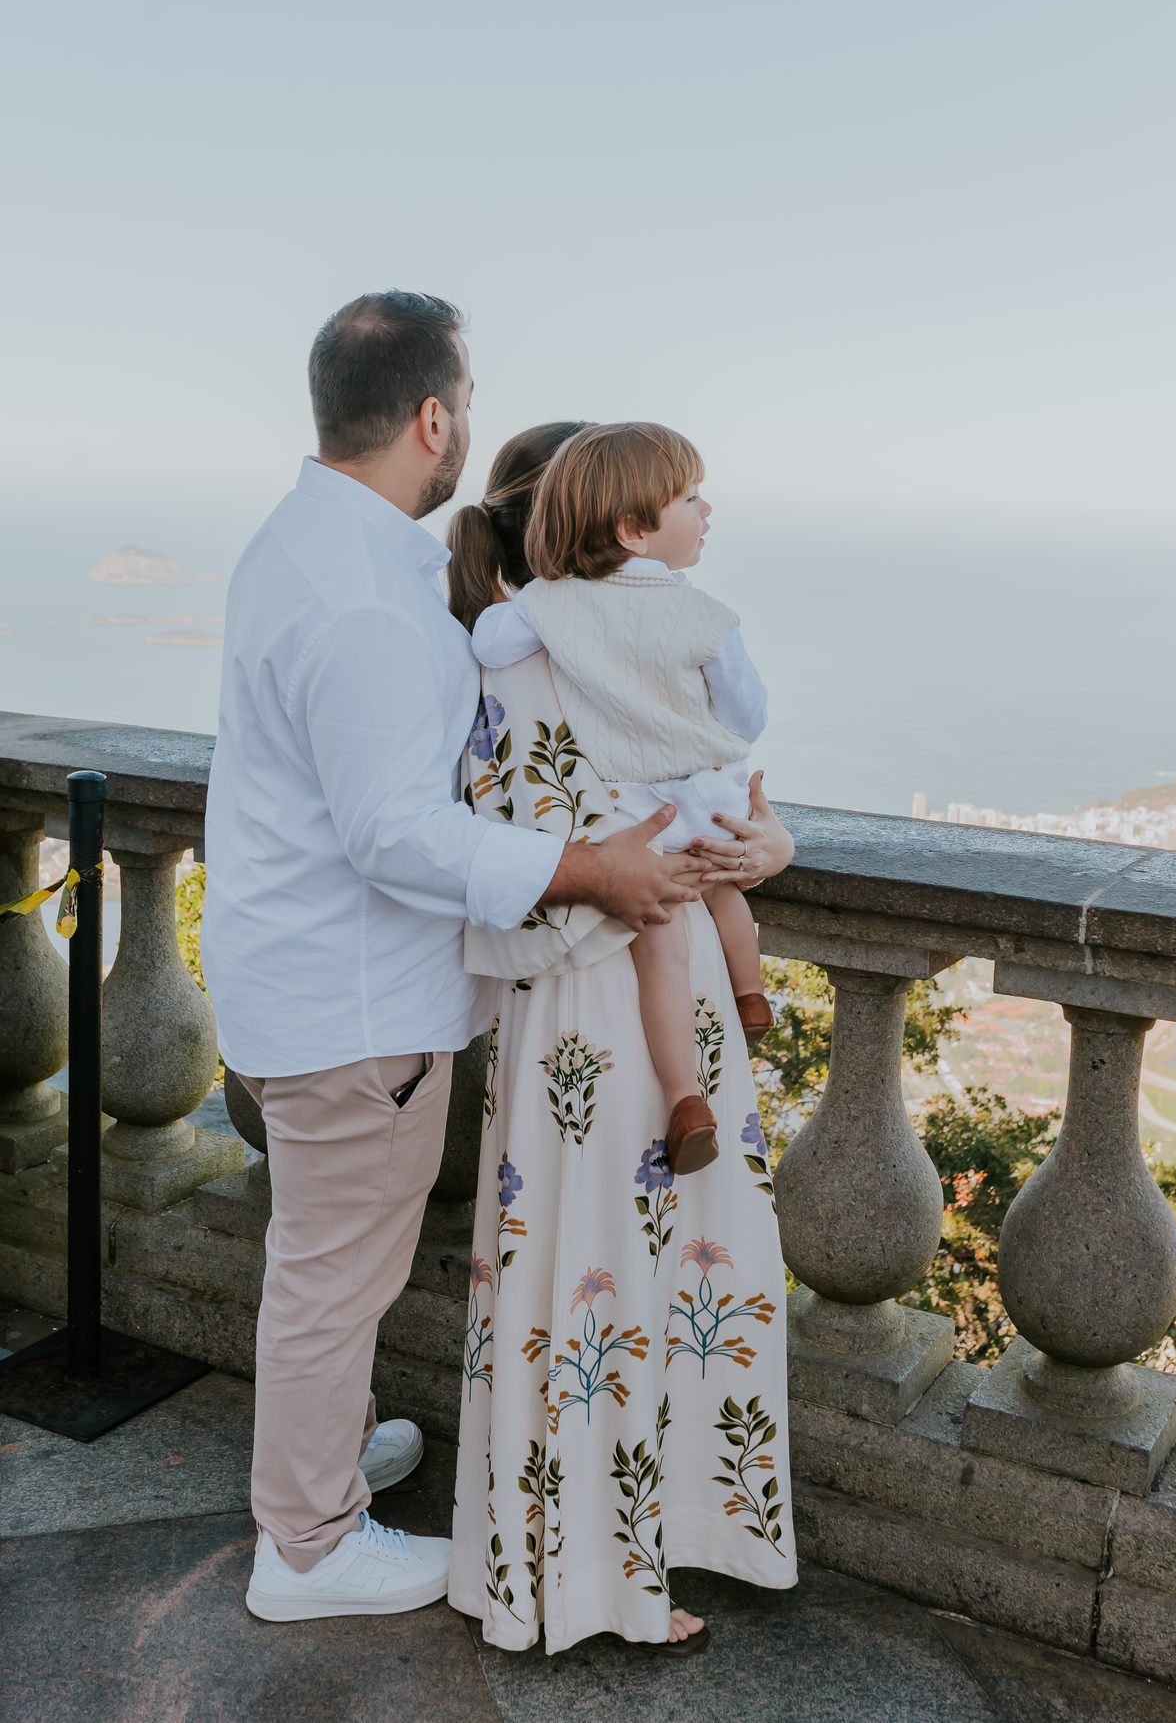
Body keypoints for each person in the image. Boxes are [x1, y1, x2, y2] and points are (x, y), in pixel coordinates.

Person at [201, 292, 716, 1623]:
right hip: (352, 1006)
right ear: (433, 418)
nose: (471, 428)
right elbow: (391, 830)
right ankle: (306, 1547)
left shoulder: (299, 543)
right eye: (468, 405)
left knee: (325, 1263)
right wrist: (588, 866)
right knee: (333, 1279)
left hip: (291, 976)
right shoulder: (370, 599)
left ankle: (318, 1459)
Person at [446, 424, 798, 1657]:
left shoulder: (516, 647)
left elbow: (712, 794)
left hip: (592, 999)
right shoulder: (544, 653)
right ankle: (605, 1580)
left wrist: (764, 846)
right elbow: (512, 843)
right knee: (619, 1271)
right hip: (622, 990)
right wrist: (709, 862)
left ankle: (580, 1556)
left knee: (593, 1272)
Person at [471, 423, 772, 1176]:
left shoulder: (540, 618)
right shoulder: (704, 614)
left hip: (620, 844)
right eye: (691, 498)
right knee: (719, 892)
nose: (706, 510)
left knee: (660, 951)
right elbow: (744, 720)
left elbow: (489, 644)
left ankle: (684, 1097)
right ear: (633, 526)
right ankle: (751, 996)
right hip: (698, 822)